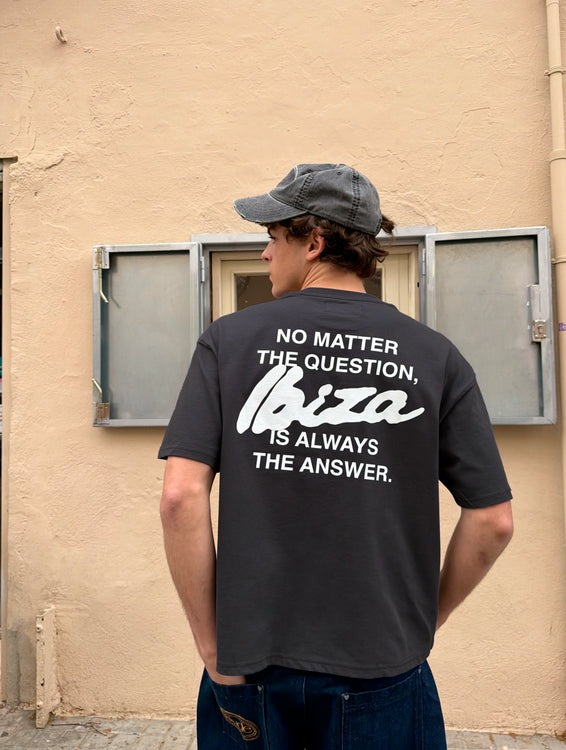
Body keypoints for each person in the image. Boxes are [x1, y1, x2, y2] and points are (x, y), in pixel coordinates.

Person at [158, 163, 513, 750]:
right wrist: (425, 621)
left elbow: (179, 496)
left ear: (314, 242)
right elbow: (493, 520)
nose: (265, 254)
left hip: (251, 665)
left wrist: (212, 648)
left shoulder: (229, 341)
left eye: (273, 237)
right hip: (382, 663)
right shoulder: (435, 356)